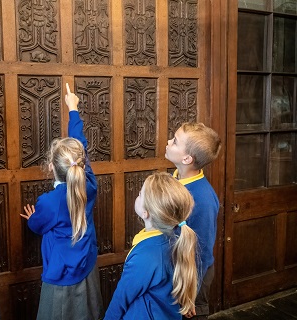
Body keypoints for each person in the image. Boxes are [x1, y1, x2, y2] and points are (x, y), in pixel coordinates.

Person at [20, 83, 103, 320]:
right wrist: (73, 110)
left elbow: (37, 225)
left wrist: (31, 218)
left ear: (49, 167)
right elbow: (81, 147)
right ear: (81, 164)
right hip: (87, 266)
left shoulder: (49, 202)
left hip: (60, 276)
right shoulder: (89, 184)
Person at [104, 172, 198, 320]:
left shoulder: (146, 256)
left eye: (141, 194)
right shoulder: (177, 236)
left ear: (146, 213)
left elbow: (122, 297)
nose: (138, 195)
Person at [165, 122, 222, 320]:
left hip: (193, 278)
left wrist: (191, 293)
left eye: (174, 142)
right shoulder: (174, 178)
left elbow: (202, 252)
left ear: (187, 158)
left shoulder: (203, 199)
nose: (168, 142)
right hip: (176, 270)